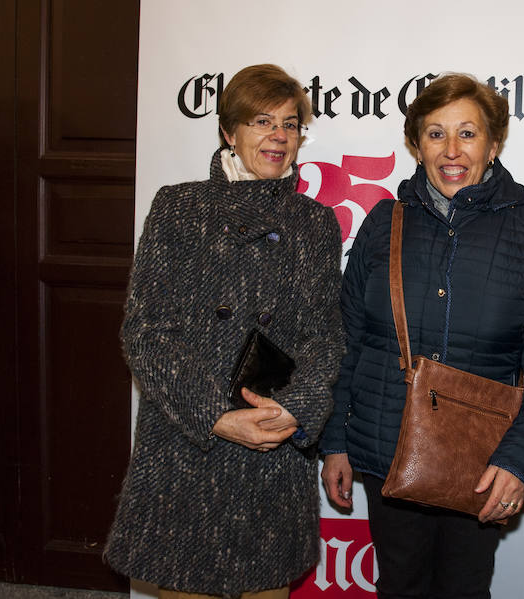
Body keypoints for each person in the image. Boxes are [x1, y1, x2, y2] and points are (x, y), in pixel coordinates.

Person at [104, 64, 345, 599]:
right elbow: (145, 331)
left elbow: (326, 338)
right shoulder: (179, 207)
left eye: (291, 123)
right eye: (263, 121)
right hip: (191, 450)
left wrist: (296, 407)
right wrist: (217, 416)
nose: (279, 136)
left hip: (274, 448)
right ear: (228, 132)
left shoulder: (315, 223)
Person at [320, 72, 524, 599]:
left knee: (465, 589)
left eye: (468, 133)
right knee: (400, 586)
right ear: (415, 144)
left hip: (485, 460)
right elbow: (347, 337)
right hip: (388, 450)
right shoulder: (384, 223)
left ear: (494, 143)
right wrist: (335, 440)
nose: (451, 151)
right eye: (435, 134)